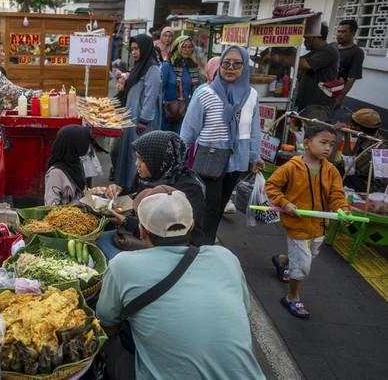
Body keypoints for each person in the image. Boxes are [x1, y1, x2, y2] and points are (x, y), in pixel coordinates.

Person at [96, 189, 264, 380]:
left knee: (116, 344)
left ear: (142, 231)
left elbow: (106, 321)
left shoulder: (122, 265)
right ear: (191, 226)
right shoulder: (225, 258)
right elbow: (246, 311)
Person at [181, 46, 263, 245]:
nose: (230, 68)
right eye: (226, 63)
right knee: (208, 204)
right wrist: (179, 152)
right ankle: (200, 244)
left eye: (237, 64)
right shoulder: (205, 92)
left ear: (244, 67)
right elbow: (189, 127)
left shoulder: (251, 95)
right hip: (210, 155)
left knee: (221, 204)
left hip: (238, 157)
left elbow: (254, 129)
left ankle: (207, 241)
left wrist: (255, 156)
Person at [266, 125, 350, 319]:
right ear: (307, 143)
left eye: (331, 144)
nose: (328, 148)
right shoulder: (291, 167)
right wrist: (285, 203)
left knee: (306, 257)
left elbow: (337, 195)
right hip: (297, 226)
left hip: (319, 227)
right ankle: (291, 297)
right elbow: (272, 187)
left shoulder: (331, 171)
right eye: (323, 142)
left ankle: (281, 260)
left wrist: (343, 209)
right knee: (303, 265)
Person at [99, 131, 206, 259]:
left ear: (159, 159)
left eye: (143, 160)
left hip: (170, 251)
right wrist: (118, 190)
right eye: (137, 157)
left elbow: (177, 234)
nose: (136, 164)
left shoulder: (189, 188)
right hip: (141, 233)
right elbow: (134, 195)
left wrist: (128, 222)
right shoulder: (149, 176)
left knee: (106, 249)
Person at [113, 34, 162, 189]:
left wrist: (143, 120)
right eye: (132, 49)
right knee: (128, 152)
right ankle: (126, 185)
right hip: (132, 117)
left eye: (137, 48)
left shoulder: (152, 68)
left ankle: (136, 188)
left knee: (139, 156)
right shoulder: (139, 66)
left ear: (145, 48)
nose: (134, 52)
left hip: (142, 121)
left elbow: (151, 96)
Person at [296, 23, 339, 120]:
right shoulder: (314, 52)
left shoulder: (329, 51)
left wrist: (280, 58)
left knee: (313, 133)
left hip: (318, 108)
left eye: (307, 38)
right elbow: (299, 63)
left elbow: (304, 64)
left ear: (315, 37)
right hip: (306, 104)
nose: (304, 42)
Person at [337, 108, 386, 193]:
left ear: (364, 130)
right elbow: (348, 161)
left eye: (354, 126)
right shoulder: (362, 137)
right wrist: (346, 135)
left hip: (369, 187)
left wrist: (347, 136)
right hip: (353, 176)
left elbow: (349, 167)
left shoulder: (380, 148)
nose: (351, 127)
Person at [160, 35, 201, 133]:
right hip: (167, 113)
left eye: (190, 46)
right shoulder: (168, 66)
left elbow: (195, 90)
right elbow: (160, 89)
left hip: (184, 113)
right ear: (177, 47)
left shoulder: (193, 67)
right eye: (184, 46)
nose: (187, 49)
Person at [44, 125, 92, 206]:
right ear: (75, 145)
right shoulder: (55, 173)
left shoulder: (76, 164)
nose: (88, 146)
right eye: (86, 142)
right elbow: (50, 207)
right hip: (64, 218)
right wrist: (75, 206)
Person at [333, 19, 364, 103]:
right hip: (320, 87)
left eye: (343, 32)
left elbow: (351, 78)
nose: (339, 34)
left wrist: (340, 98)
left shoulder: (357, 52)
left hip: (334, 93)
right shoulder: (332, 47)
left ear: (353, 33)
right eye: (338, 31)